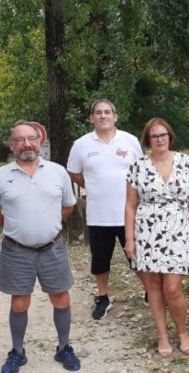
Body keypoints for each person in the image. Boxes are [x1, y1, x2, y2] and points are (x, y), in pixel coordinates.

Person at [0, 121, 80, 373]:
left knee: (61, 297)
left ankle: (64, 347)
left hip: (53, 248)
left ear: (40, 142)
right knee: (19, 302)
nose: (26, 144)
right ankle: (17, 351)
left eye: (31, 138)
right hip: (16, 251)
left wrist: (50, 222)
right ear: (11, 144)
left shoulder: (58, 172)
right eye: (20, 139)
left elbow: (68, 206)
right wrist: (16, 226)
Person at [124, 118, 189, 356]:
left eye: (163, 135)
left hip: (178, 231)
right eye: (154, 136)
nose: (159, 139)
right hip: (146, 233)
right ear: (147, 140)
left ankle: (182, 332)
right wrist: (129, 239)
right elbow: (130, 205)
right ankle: (162, 335)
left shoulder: (185, 162)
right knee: (154, 287)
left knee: (173, 287)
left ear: (170, 136)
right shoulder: (138, 166)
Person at [67, 99, 144, 320]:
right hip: (99, 214)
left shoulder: (129, 141)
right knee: (100, 260)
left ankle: (151, 292)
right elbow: (74, 172)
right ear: (91, 118)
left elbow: (141, 171)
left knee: (138, 257)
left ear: (115, 116)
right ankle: (103, 297)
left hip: (129, 213)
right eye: (98, 113)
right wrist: (93, 185)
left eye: (107, 112)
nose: (103, 116)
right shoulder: (81, 145)